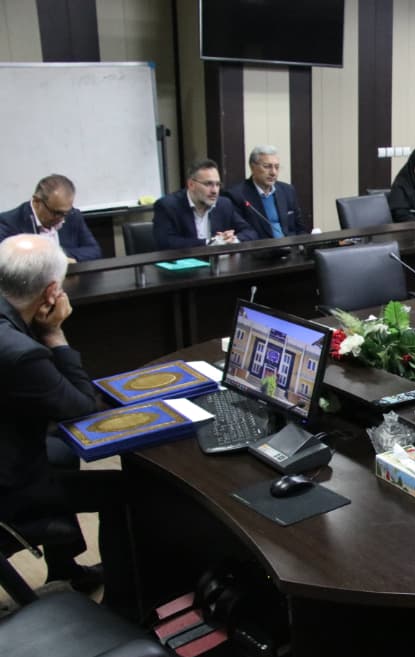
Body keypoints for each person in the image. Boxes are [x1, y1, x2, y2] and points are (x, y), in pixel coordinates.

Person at [0, 234, 128, 595]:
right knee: (123, 492)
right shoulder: (20, 353)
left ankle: (64, 567)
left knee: (62, 449)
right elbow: (82, 410)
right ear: (52, 292)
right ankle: (124, 600)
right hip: (8, 486)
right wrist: (55, 334)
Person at [152, 159, 257, 250]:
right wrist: (209, 243)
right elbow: (165, 242)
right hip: (184, 264)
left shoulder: (224, 204)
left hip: (219, 265)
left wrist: (233, 239)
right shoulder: (167, 206)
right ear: (191, 185)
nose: (214, 191)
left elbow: (250, 232)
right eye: (208, 184)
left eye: (217, 184)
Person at [0, 174, 101, 262]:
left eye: (65, 213)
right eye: (56, 213)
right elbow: (6, 261)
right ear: (36, 202)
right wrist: (53, 258)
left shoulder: (73, 216)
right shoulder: (8, 222)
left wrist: (63, 257)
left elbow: (94, 251)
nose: (61, 219)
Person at [225, 145, 310, 238]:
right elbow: (243, 233)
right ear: (252, 167)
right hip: (261, 246)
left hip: (290, 245)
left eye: (277, 167)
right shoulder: (238, 195)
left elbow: (300, 228)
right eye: (267, 167)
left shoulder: (287, 191)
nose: (273, 172)